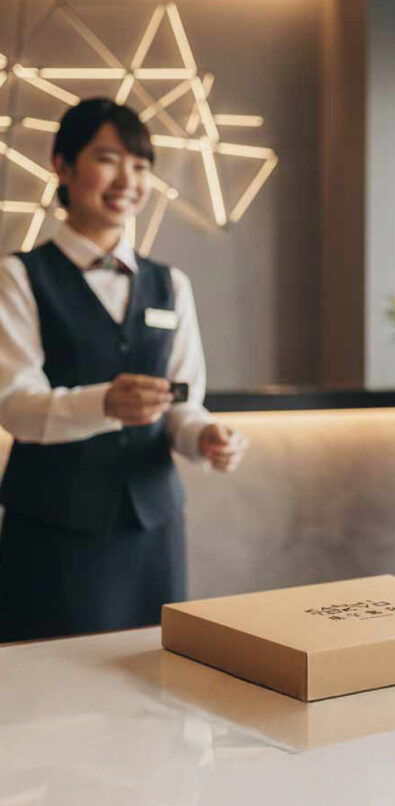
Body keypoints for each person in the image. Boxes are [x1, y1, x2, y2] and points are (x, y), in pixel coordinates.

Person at [0, 98, 247, 643]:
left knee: (156, 691)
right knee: (51, 700)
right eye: (108, 160)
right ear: (62, 166)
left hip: (153, 529)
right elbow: (15, 404)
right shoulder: (19, 277)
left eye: (139, 166)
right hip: (52, 528)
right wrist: (104, 404)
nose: (127, 180)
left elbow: (183, 402)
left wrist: (205, 435)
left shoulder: (171, 284)